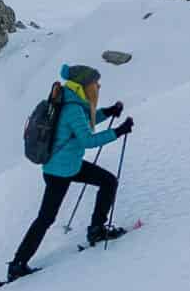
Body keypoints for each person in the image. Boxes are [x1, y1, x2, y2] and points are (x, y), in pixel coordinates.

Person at [7, 63, 133, 279]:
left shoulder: (70, 100)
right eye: (95, 83)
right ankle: (18, 264)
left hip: (66, 166)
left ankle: (97, 229)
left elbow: (84, 123)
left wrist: (108, 112)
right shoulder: (73, 108)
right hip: (61, 172)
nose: (98, 86)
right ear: (84, 84)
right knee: (46, 218)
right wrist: (118, 132)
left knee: (108, 181)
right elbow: (88, 140)